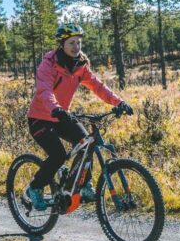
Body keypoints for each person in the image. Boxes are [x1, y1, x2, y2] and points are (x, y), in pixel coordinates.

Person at [23, 23, 133, 209]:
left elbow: (98, 87)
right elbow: (45, 91)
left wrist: (119, 102)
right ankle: (34, 187)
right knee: (58, 155)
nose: (76, 47)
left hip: (60, 116)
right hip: (40, 118)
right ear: (62, 44)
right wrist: (56, 108)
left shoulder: (80, 65)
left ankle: (81, 186)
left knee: (86, 142)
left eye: (78, 42)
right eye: (71, 43)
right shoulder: (48, 63)